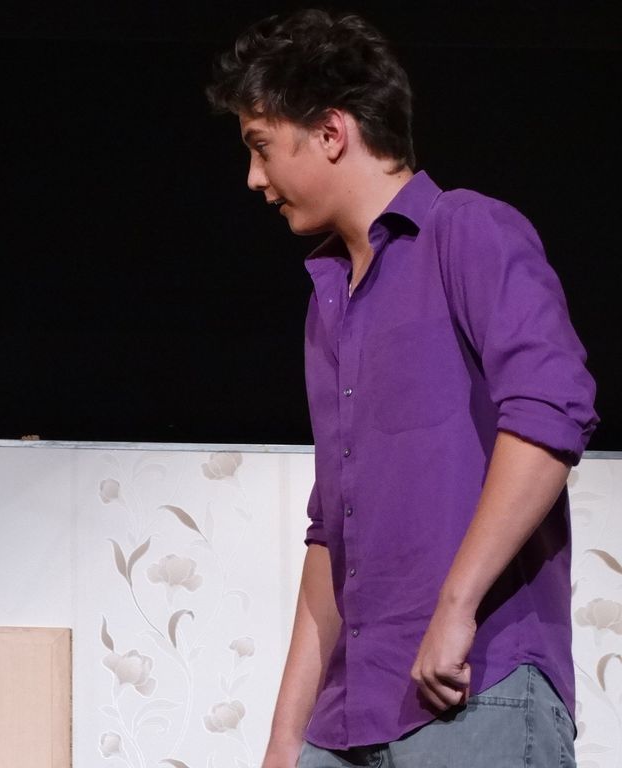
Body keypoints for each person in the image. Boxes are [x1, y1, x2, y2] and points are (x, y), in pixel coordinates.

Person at [207, 10, 597, 768]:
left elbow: (551, 413)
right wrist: (285, 739)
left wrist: (456, 608)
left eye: (260, 146)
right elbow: (332, 527)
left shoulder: (468, 231)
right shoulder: (330, 301)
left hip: (476, 689)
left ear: (330, 132)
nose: (254, 178)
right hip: (348, 717)